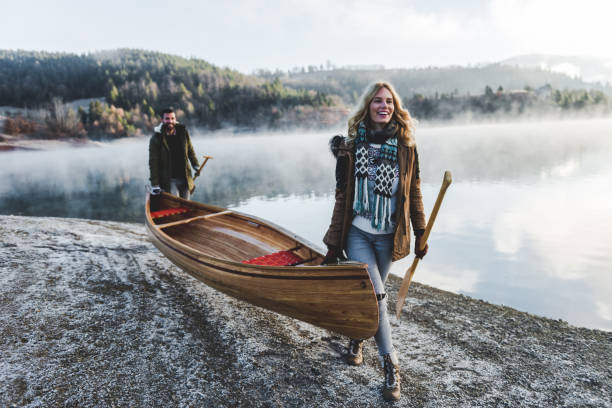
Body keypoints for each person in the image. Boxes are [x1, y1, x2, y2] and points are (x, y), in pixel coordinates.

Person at [322, 82, 428, 402]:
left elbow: (414, 193)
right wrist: (331, 242)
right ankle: (391, 365)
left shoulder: (406, 147)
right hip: (358, 232)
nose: (385, 106)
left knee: (373, 296)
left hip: (389, 237)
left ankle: (357, 337)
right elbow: (343, 196)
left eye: (390, 101)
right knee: (377, 294)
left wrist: (421, 232)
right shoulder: (351, 147)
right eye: (378, 101)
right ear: (367, 106)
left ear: (395, 107)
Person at [148, 108, 200, 199]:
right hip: (169, 180)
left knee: (186, 205)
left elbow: (190, 150)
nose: (170, 121)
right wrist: (155, 184)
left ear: (175, 119)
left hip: (185, 177)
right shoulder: (156, 138)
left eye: (172, 118)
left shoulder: (183, 133)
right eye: (167, 119)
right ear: (162, 120)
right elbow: (153, 163)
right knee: (175, 202)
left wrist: (195, 165)